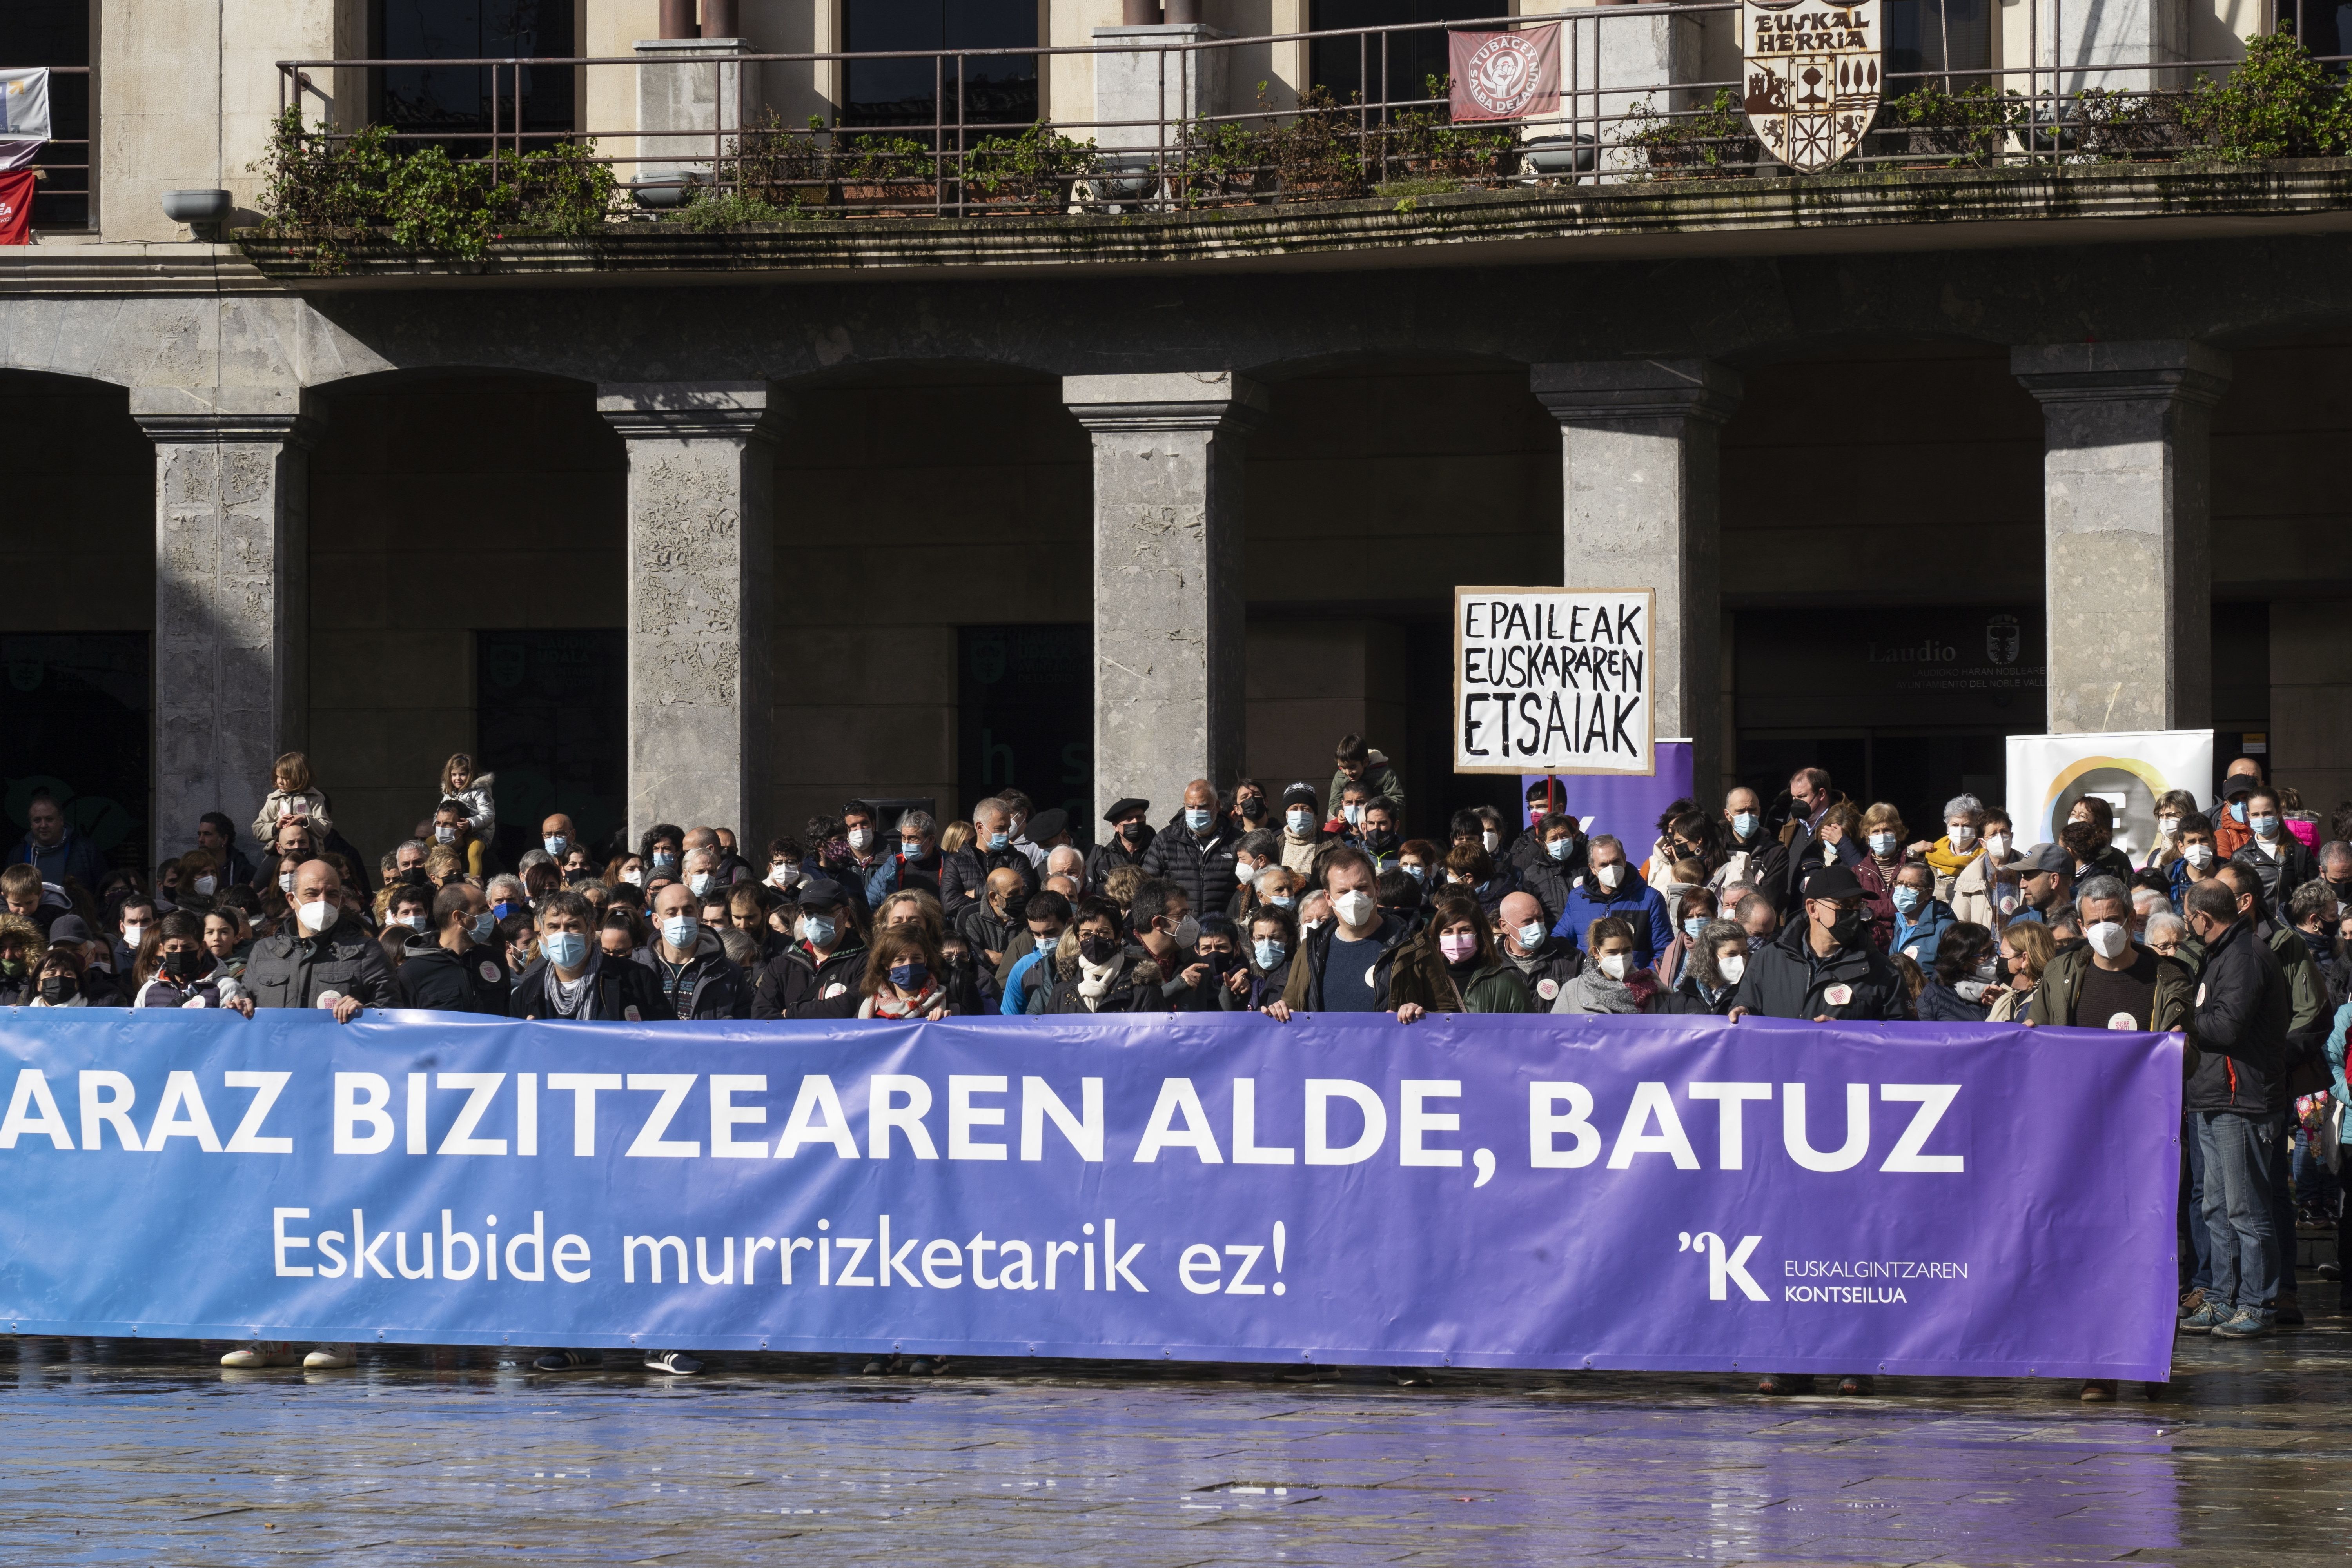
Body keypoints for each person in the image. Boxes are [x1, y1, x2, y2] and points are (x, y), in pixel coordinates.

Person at [2180, 877, 2290, 1340]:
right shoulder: (2221, 953)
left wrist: (2182, 1017)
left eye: (2190, 918)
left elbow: (2226, 1026)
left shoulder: (2244, 956)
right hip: (2212, 1094)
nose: (2188, 925)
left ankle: (2258, 1304)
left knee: (2247, 1209)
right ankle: (2223, 1298)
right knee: (2218, 1208)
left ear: (2204, 917)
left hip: (2239, 1099)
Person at [1728, 863, 1910, 1024]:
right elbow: (1747, 1003)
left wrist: (1852, 1034)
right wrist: (1742, 1010)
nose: (1854, 912)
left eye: (1858, 905)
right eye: (1845, 905)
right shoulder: (1767, 960)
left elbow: (1899, 1036)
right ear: (1813, 908)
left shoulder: (1882, 971)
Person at [2027, 876, 2194, 1034]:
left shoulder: (2168, 981)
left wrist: (2183, 1052)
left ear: (2132, 919)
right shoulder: (2059, 975)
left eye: (2111, 920)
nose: (2103, 931)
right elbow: (2037, 1042)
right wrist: (2027, 1034)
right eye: (2093, 922)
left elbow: (2191, 1053)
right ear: (2082, 927)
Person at [1263, 849, 1414, 1019]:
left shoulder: (1412, 946)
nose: (1354, 898)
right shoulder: (1310, 950)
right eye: (1343, 892)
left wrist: (1422, 1015)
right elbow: (1292, 1007)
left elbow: (1446, 1014)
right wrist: (1280, 1010)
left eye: (1362, 888)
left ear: (1377, 888)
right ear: (1328, 897)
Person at [240, 858, 394, 1020]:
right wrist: (237, 1007)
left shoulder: (367, 952)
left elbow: (390, 1011)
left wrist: (365, 1013)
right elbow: (244, 1001)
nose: (323, 901)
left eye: (332, 894)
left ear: (341, 902)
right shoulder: (264, 951)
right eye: (312, 893)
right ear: (292, 900)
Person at [1388, 892, 1533, 1016]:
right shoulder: (1421, 980)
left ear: (1480, 936)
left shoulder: (1507, 984)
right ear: (1437, 937)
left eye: (1465, 930)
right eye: (1448, 931)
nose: (1456, 937)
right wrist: (1411, 1012)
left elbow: (1526, 1036)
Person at [1546, 834, 1672, 967]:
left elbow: (1664, 952)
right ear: (1593, 869)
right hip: (1589, 983)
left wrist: (1643, 982)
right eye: (1604, 865)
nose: (1611, 869)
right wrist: (1577, 973)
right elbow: (1560, 942)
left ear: (1624, 860)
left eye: (1616, 862)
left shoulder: (1650, 898)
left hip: (1634, 983)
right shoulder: (1578, 898)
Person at [752, 880, 868, 1018]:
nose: (815, 920)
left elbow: (850, 1006)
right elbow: (762, 1015)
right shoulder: (781, 966)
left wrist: (790, 1013)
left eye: (824, 912)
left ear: (845, 915)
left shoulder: (866, 962)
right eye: (809, 913)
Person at [392, 882, 512, 1014]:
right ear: (459, 918)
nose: (491, 914)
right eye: (483, 910)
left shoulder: (495, 958)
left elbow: (508, 1014)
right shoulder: (411, 973)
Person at [644, 880, 752, 1019]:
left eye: (688, 911)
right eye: (672, 913)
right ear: (656, 920)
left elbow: (743, 1028)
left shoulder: (729, 973)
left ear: (699, 916)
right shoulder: (641, 970)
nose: (682, 918)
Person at [1043, 896, 1166, 1014]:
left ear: (1118, 937)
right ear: (1078, 939)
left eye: (1104, 933)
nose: (1094, 940)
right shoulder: (1062, 991)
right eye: (1086, 934)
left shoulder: (1143, 990)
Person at [1141, 778, 1243, 919]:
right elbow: (1147, 886)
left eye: (1203, 807)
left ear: (1217, 806)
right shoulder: (1165, 840)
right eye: (1190, 807)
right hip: (1177, 927)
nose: (1196, 812)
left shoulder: (1237, 841)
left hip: (1222, 929)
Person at [1555, 915, 1689, 1015]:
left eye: (1626, 951)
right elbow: (1556, 1037)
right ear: (1596, 952)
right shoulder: (1573, 991)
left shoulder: (1652, 988)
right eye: (1612, 953)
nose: (1620, 958)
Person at [940, 798, 1038, 921]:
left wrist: (976, 893)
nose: (1006, 834)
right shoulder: (955, 862)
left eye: (1008, 828)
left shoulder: (1018, 859)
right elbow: (949, 904)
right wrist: (999, 901)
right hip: (971, 935)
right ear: (980, 827)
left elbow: (1023, 896)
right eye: (1000, 829)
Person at [2230, 784, 2318, 907]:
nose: (2262, 819)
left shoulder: (2300, 853)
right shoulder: (2240, 857)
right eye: (2256, 814)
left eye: (2268, 813)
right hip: (2257, 925)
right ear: (2249, 816)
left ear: (2279, 813)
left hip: (2291, 924)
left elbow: (2315, 897)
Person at [134, 911, 241, 1010]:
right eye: (173, 948)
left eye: (188, 947)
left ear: (202, 948)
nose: (180, 952)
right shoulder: (148, 990)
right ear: (162, 950)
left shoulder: (225, 987)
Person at [1496, 889, 1582, 1007]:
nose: (1537, 925)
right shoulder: (1490, 964)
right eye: (1528, 922)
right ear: (1505, 926)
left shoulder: (1570, 957)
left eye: (1540, 918)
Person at [6, 789, 105, 891]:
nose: (43, 825)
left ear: (61, 820)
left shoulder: (86, 849)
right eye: (37, 820)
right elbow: (8, 894)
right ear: (31, 824)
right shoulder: (18, 854)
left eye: (49, 819)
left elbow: (104, 891)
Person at [998, 889, 1073, 1015]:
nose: (1043, 940)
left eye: (1051, 933)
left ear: (1070, 924)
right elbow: (1010, 1021)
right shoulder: (1022, 968)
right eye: (1037, 934)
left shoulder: (1086, 961)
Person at [1950, 809, 2020, 931]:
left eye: (2004, 832)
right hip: (1984, 946)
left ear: (2012, 836)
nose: (2000, 838)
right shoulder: (1969, 877)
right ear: (1982, 843)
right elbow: (1960, 923)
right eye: (1993, 834)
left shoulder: (2027, 871)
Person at [1915, 922, 1998, 1022]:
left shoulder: (2007, 986)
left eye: (1994, 947)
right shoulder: (1933, 996)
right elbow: (1925, 1036)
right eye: (1985, 953)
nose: (1995, 955)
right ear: (1963, 962)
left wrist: (2002, 1004)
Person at [1708, 786, 1780, 899]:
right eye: (1740, 811)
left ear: (1759, 811)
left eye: (1752, 810)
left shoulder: (1775, 852)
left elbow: (1770, 899)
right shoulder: (1716, 850)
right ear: (1728, 815)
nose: (1747, 816)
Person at [1913, 794, 1985, 905]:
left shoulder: (1987, 858)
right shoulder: (1932, 856)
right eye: (1955, 825)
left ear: (1977, 828)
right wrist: (1910, 852)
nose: (1960, 831)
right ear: (1948, 827)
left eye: (1967, 826)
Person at [1518, 812, 1586, 928]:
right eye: (1553, 839)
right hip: (1554, 940)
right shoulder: (1532, 875)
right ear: (1544, 844)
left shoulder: (1590, 864)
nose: (1560, 842)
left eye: (1564, 836)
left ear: (1573, 836)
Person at [1986, 920, 2055, 1023]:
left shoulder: (2044, 1001)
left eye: (2004, 954)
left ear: (2025, 959)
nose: (1999, 959)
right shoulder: (2008, 993)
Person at [1887, 862, 1955, 968]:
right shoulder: (1901, 922)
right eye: (1900, 883)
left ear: (1928, 893)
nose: (1902, 890)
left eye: (1911, 886)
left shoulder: (1946, 929)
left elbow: (1948, 975)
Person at [1674, 919, 1749, 1014]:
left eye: (1744, 954)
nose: (1740, 959)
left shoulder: (1749, 1000)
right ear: (1710, 955)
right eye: (1732, 954)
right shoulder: (1680, 1000)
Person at [1327, 733, 1405, 822]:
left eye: (1352, 767)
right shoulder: (1340, 776)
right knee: (1331, 816)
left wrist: (1378, 812)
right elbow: (1335, 800)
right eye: (1343, 768)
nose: (1348, 772)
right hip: (1348, 820)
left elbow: (1397, 800)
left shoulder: (1385, 774)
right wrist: (1339, 811)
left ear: (1365, 762)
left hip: (1377, 818)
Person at [1087, 797, 1156, 889]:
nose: (1136, 822)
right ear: (1116, 826)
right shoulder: (1106, 856)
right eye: (1129, 819)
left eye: (1139, 817)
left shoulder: (1158, 849)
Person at [436, 753, 498, 844]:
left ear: (471, 775)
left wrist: (470, 823)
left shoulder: (479, 792)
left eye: (462, 774)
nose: (458, 778)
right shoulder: (450, 793)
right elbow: (439, 813)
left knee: (474, 852)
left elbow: (489, 815)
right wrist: (436, 823)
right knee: (431, 842)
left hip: (478, 833)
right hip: (453, 832)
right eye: (454, 775)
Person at [2212, 756, 2266, 861]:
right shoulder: (2211, 822)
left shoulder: (2275, 823)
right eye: (2238, 778)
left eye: (2254, 780)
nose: (2244, 781)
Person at [2008, 844, 2073, 927]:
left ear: (2054, 881)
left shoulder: (2085, 919)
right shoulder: (2019, 919)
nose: (2022, 885)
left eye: (2029, 877)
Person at [195, 811, 258, 888]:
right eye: (200, 834)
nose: (201, 840)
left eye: (207, 834)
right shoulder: (192, 867)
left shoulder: (244, 872)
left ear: (224, 839)